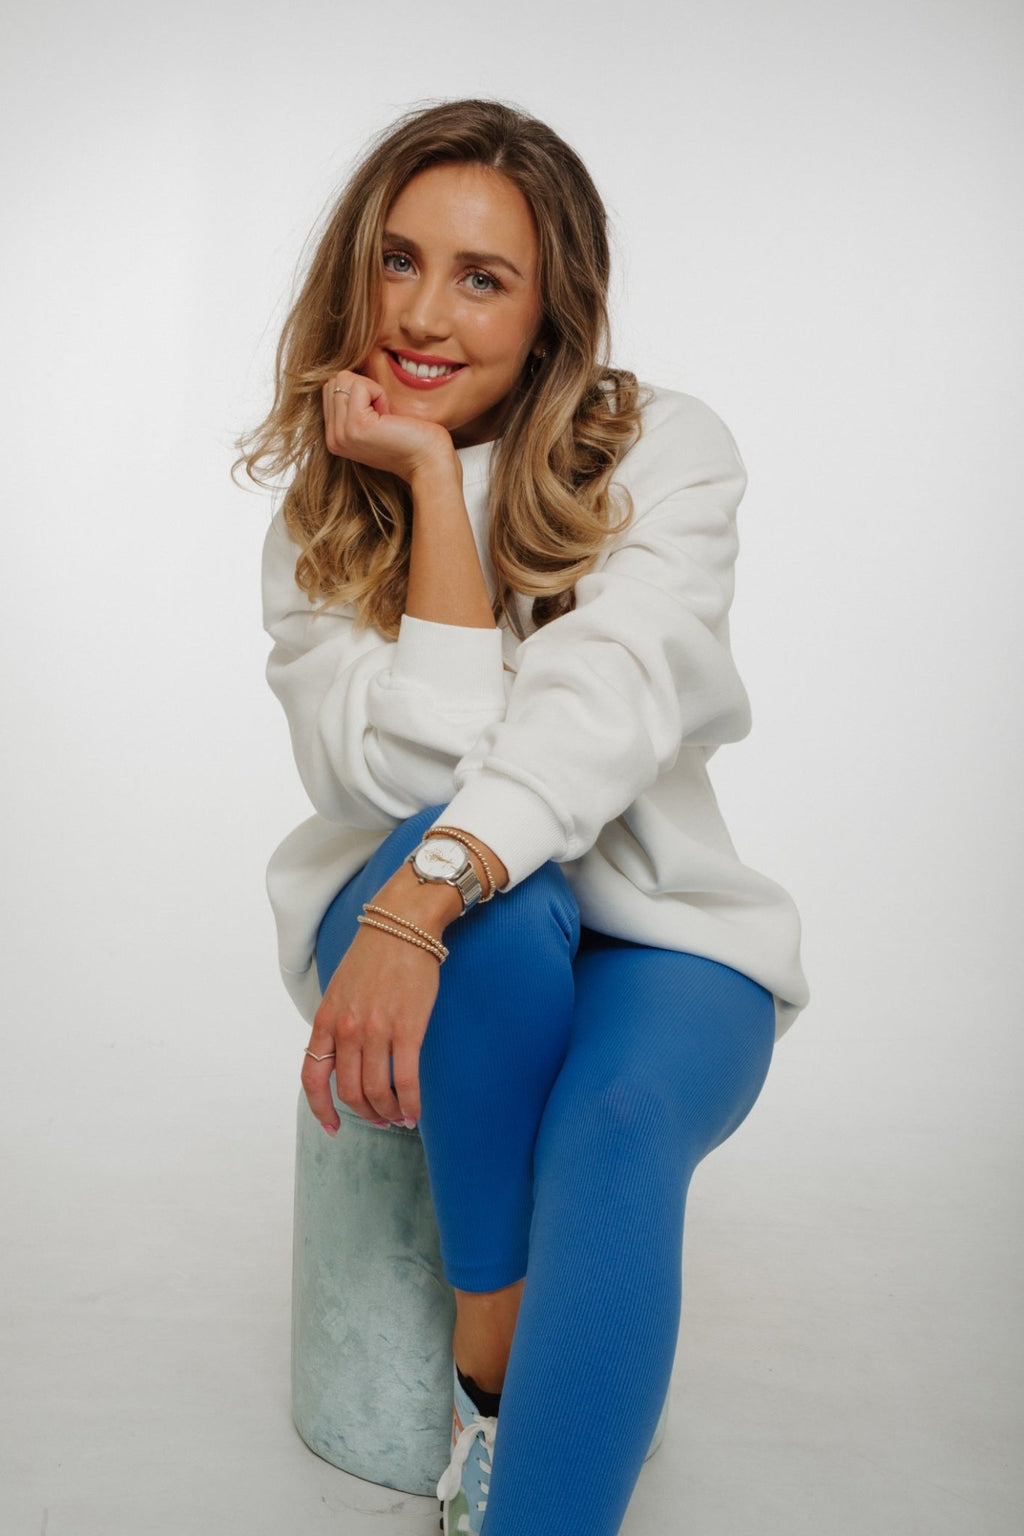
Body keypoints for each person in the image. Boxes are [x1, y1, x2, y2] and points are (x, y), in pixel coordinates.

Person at [239, 98, 809, 1536]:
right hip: (450, 928)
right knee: (497, 924)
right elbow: (415, 782)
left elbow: (609, 694)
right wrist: (433, 486)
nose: (423, 315)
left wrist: (427, 887)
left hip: (659, 937)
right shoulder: (320, 524)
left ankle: (513, 1460)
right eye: (400, 260)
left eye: (483, 278)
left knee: (619, 1115)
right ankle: (495, 1365)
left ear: (555, 310)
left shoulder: (665, 451)